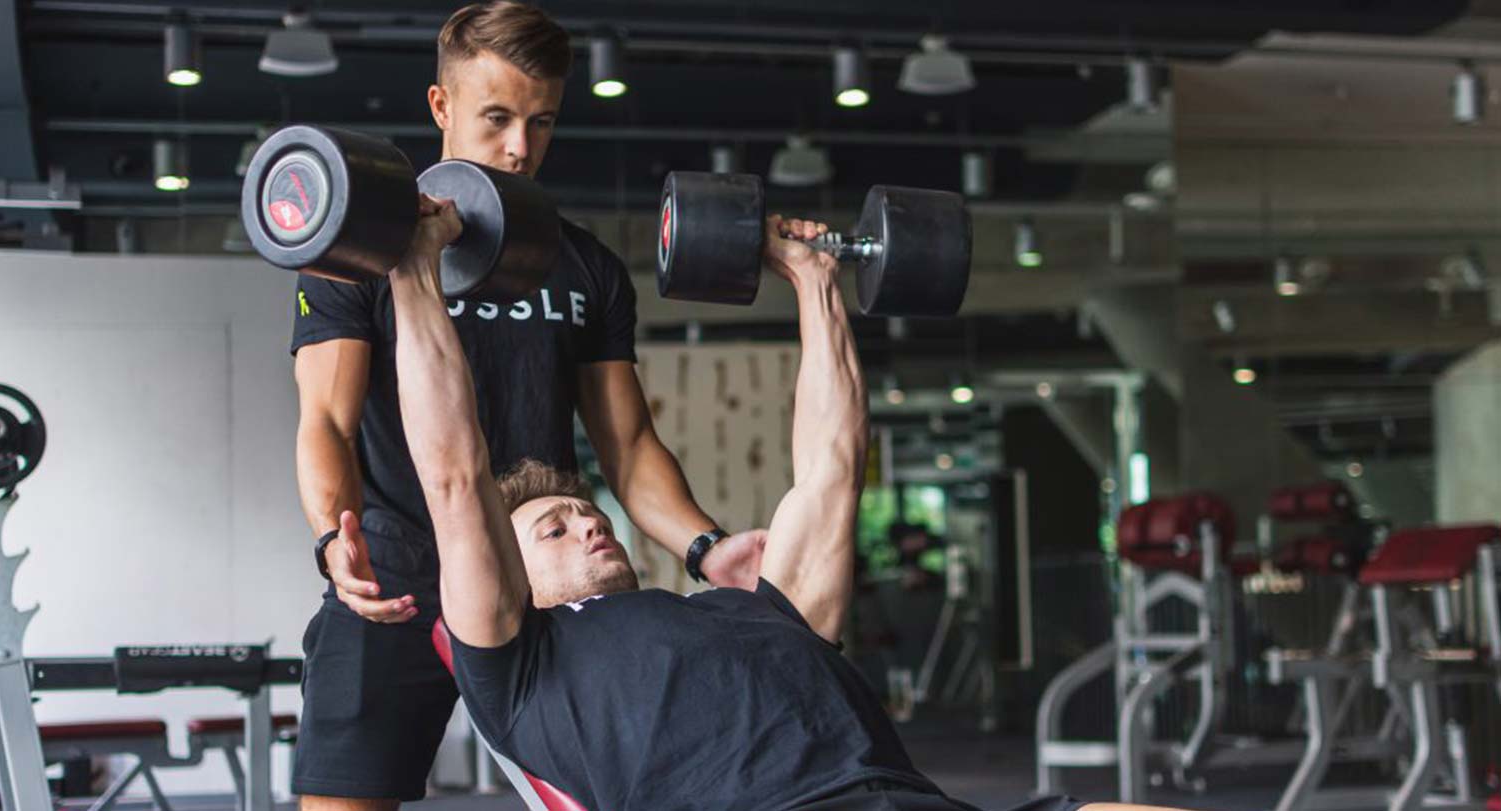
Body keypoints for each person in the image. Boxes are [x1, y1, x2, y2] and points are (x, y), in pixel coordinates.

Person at [385, 200, 1181, 811]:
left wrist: (814, 279)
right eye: (553, 528)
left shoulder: (755, 607)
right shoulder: (521, 662)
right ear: (508, 578)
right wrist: (415, 270)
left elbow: (833, 467)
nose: (589, 520)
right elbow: (454, 472)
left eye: (584, 512)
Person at [287, 3, 762, 807]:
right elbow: (326, 421)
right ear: (441, 106)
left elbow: (629, 446)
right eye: (497, 118)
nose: (520, 147)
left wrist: (705, 546)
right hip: (396, 578)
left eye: (541, 122)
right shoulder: (361, 250)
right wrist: (335, 539)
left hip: (543, 585)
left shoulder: (584, 266)